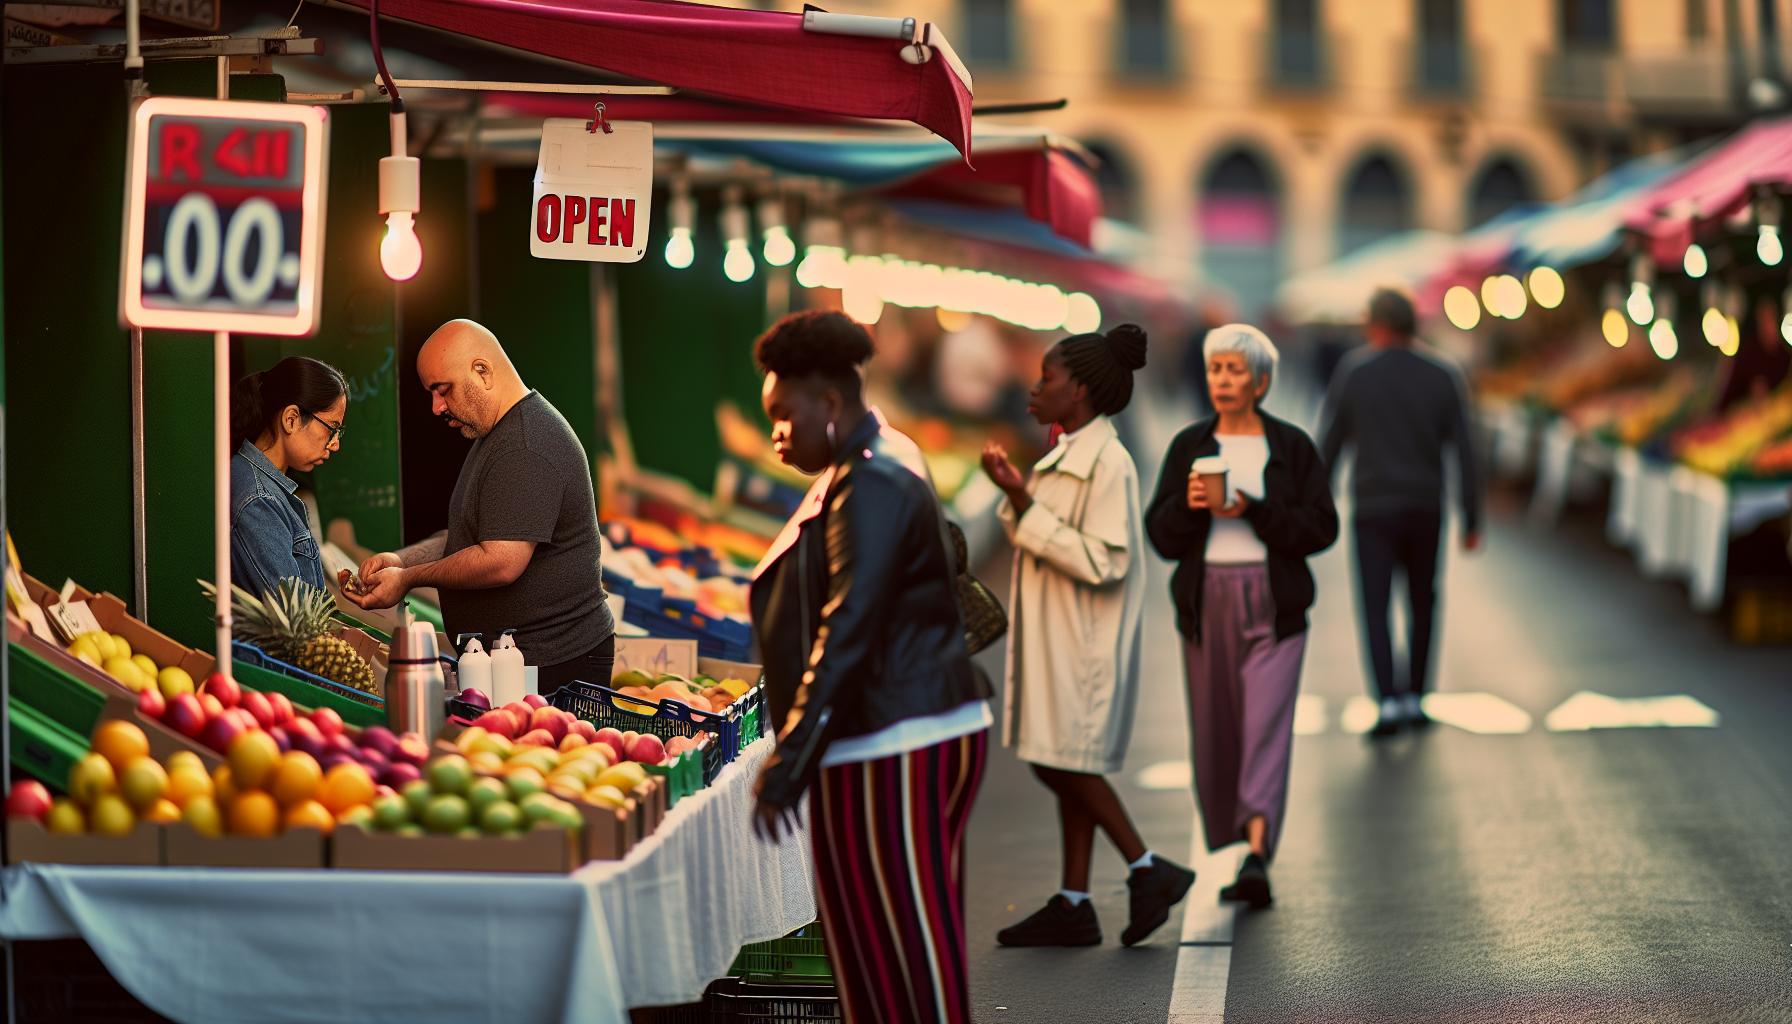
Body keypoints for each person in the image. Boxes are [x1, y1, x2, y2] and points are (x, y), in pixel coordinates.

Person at [748, 310, 990, 1024]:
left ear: (829, 403)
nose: (776, 435)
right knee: (867, 950)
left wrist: (793, 756)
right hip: (881, 734)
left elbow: (849, 626)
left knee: (911, 951)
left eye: (784, 416)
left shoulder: (874, 480)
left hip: (899, 739)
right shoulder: (867, 464)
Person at [981, 325, 1196, 948]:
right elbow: (1034, 526)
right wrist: (1018, 494)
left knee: (1060, 761)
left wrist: (1023, 499)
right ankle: (1075, 900)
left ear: (1077, 389)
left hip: (1083, 642)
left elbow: (1105, 561)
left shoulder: (1109, 464)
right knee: (1061, 759)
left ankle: (1146, 866)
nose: (1035, 386)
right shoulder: (1068, 448)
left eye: (1047, 377)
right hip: (1060, 633)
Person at [1146, 324, 1338, 909]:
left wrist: (1253, 510)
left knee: (1264, 725)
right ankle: (1232, 841)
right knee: (1217, 730)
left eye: (1233, 371)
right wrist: (1191, 506)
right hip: (1207, 603)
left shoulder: (1292, 447)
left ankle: (1256, 850)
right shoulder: (1189, 447)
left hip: (1275, 604)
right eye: (1214, 370)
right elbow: (1162, 535)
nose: (1222, 380)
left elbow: (1321, 528)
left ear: (1261, 381)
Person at [348, 319, 614, 695]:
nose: (437, 407)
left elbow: (501, 560)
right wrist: (401, 560)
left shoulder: (525, 445)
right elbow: (465, 538)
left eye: (443, 390)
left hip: (554, 667)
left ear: (482, 371)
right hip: (519, 663)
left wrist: (408, 580)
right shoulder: (497, 435)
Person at [1318, 289, 1482, 738]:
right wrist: (1471, 516)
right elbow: (1466, 450)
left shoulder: (1356, 372)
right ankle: (1416, 695)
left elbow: (1330, 442)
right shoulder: (1444, 374)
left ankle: (1387, 700)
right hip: (1425, 504)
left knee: (1375, 605)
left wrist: (1316, 502)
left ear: (1377, 325)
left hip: (1372, 506)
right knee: (1423, 600)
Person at [229, 357, 349, 597]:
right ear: (291, 419)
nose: (335, 444)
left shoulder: (260, 484)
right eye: (332, 428)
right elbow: (294, 613)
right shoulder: (259, 500)